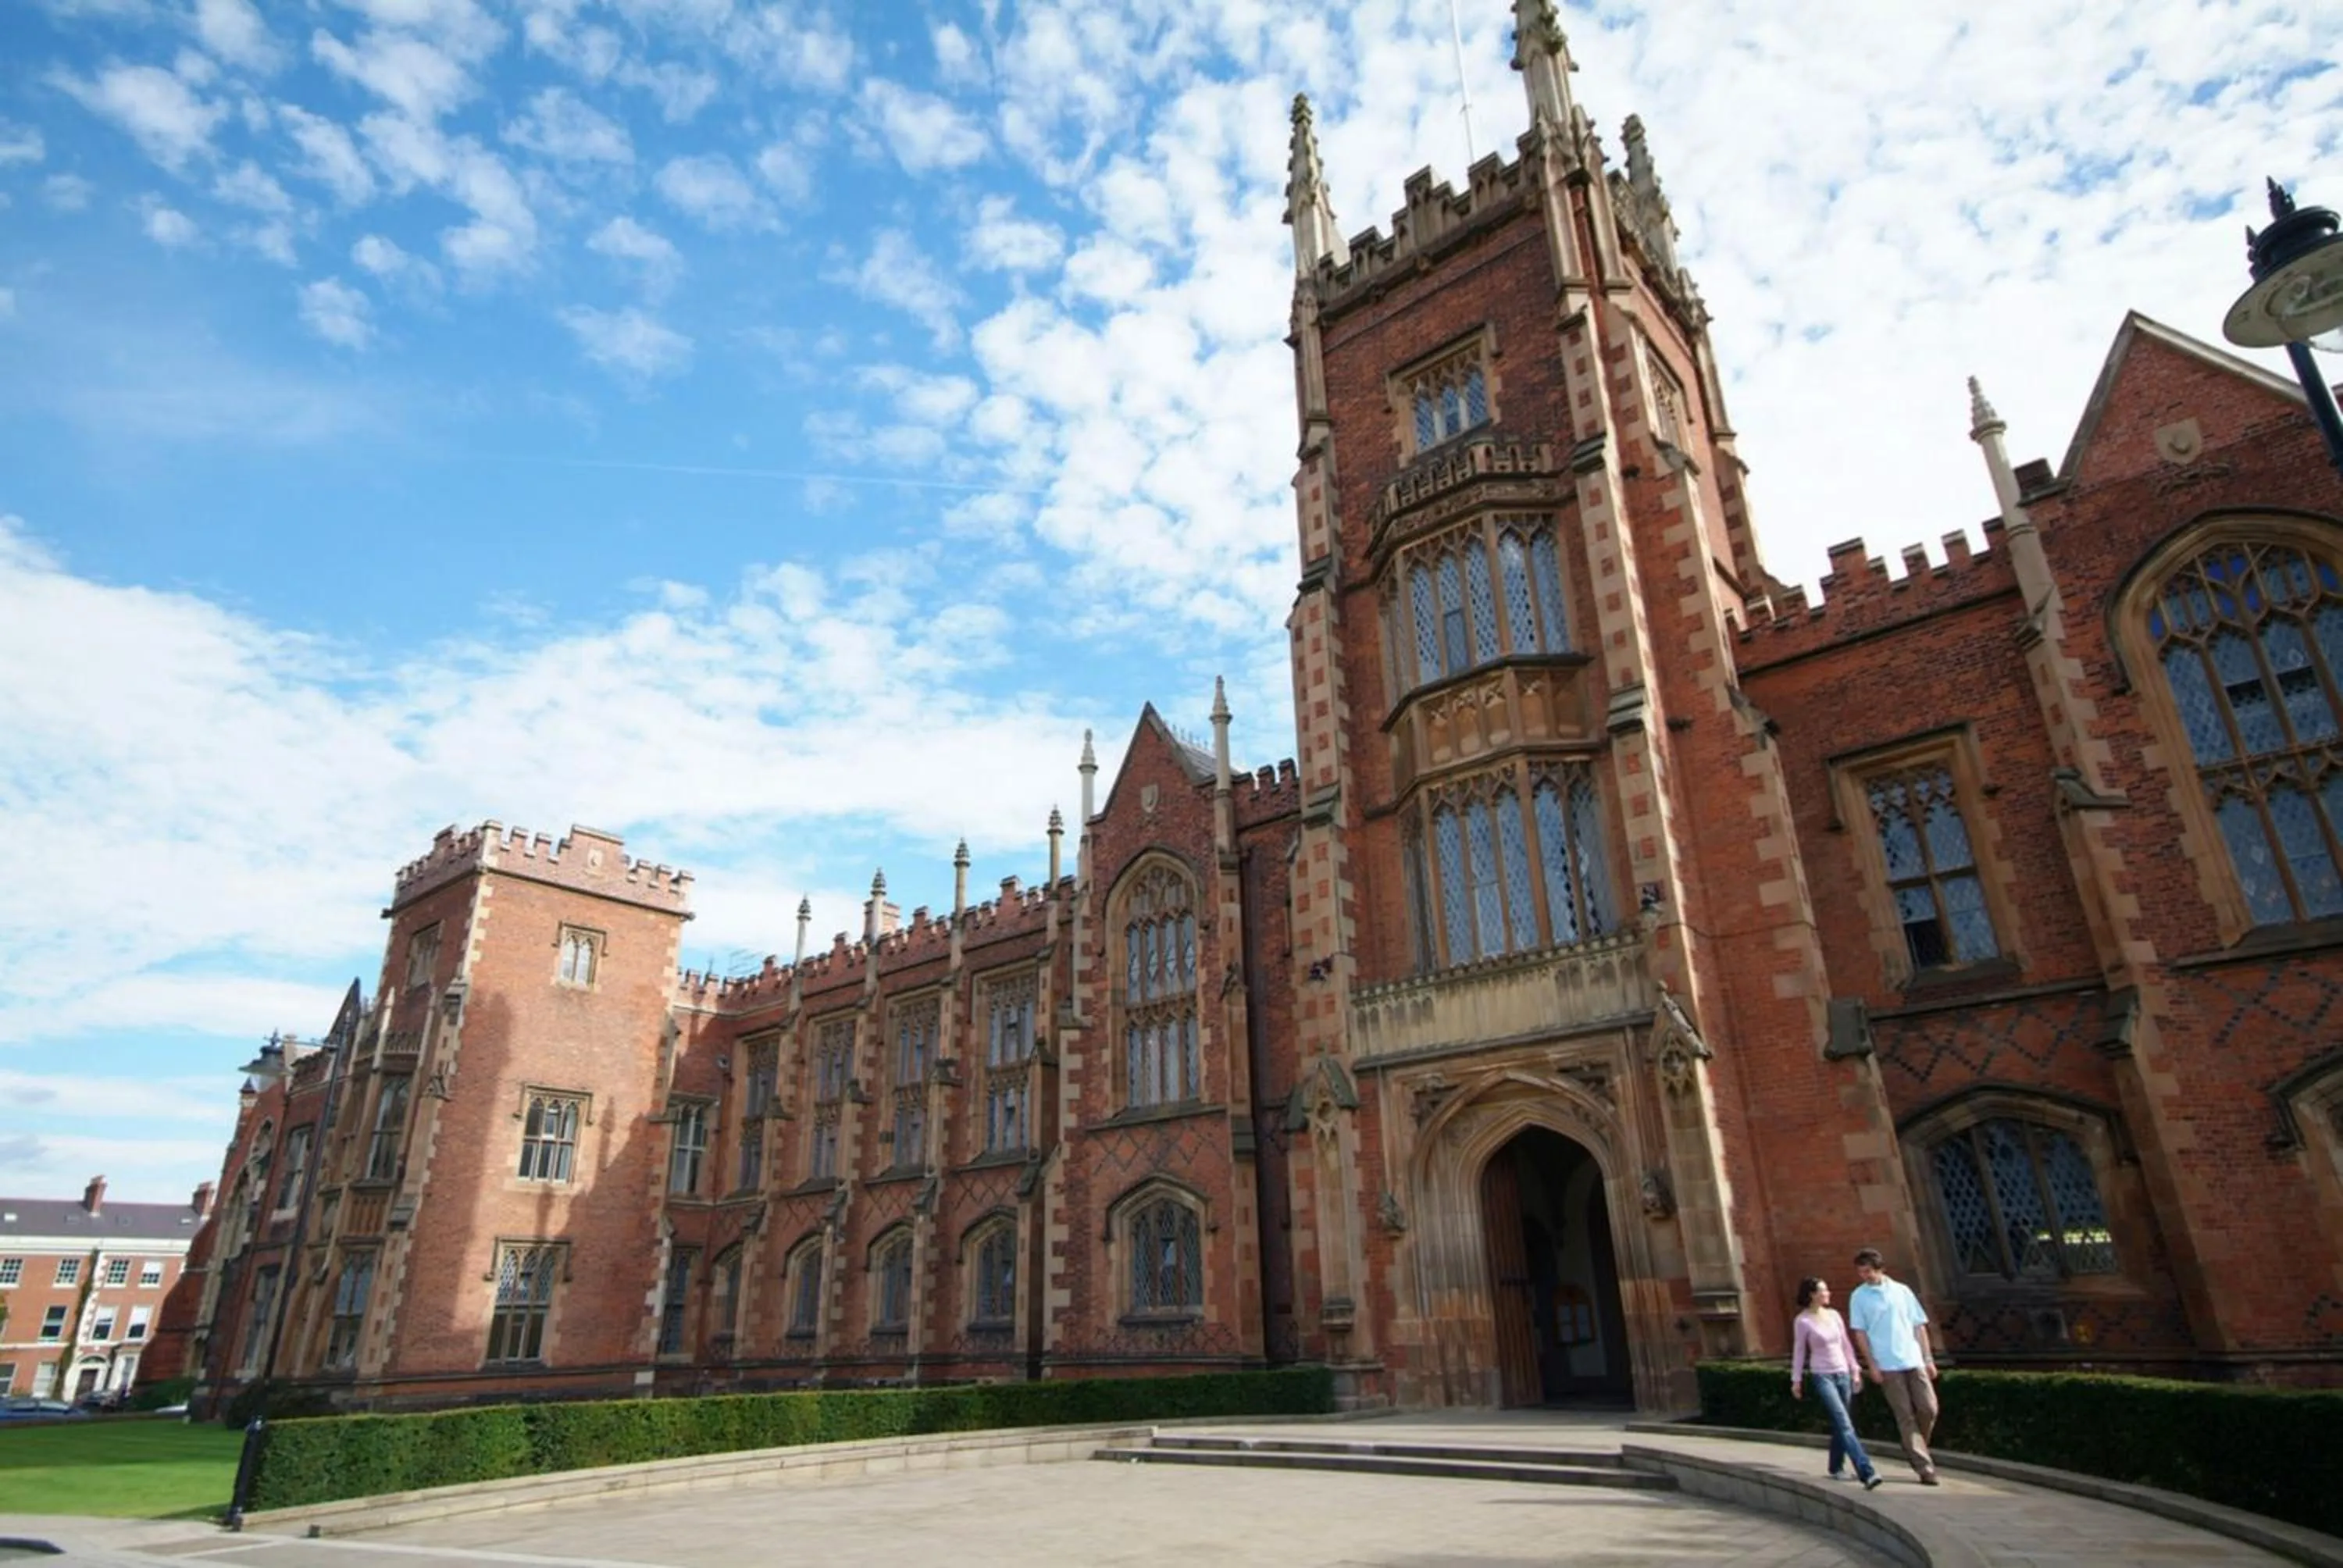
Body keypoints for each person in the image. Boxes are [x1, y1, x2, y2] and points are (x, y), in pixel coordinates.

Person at [1846, 1247, 1940, 1484]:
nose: (1865, 1276)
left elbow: (1919, 1325)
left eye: (1868, 1271)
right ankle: (1924, 1468)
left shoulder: (1902, 1291)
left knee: (1928, 1408)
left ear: (1880, 1269)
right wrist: (1872, 1365)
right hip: (1887, 1363)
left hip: (1912, 1357)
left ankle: (1914, 1446)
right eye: (1861, 1272)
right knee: (1904, 1414)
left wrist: (1928, 1358)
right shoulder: (1859, 1296)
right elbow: (1860, 1333)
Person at [1790, 1276, 1881, 1489]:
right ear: (1812, 1294)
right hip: (1822, 1374)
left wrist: (1855, 1369)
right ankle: (1866, 1471)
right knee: (1844, 1421)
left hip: (1842, 1372)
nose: (1828, 1293)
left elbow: (1845, 1344)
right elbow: (1800, 1351)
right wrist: (1796, 1379)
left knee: (1843, 1422)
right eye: (1823, 1290)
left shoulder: (1834, 1316)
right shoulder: (1803, 1321)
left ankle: (1835, 1466)